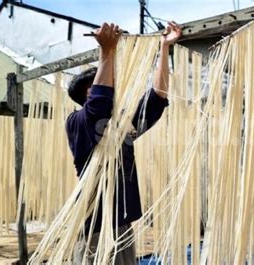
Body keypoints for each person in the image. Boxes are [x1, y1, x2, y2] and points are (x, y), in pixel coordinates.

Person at [65, 21, 181, 264]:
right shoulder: (78, 122)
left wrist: (164, 48)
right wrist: (106, 52)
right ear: (88, 94)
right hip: (94, 227)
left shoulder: (121, 126)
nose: (116, 87)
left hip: (121, 224)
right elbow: (99, 104)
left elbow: (157, 99)